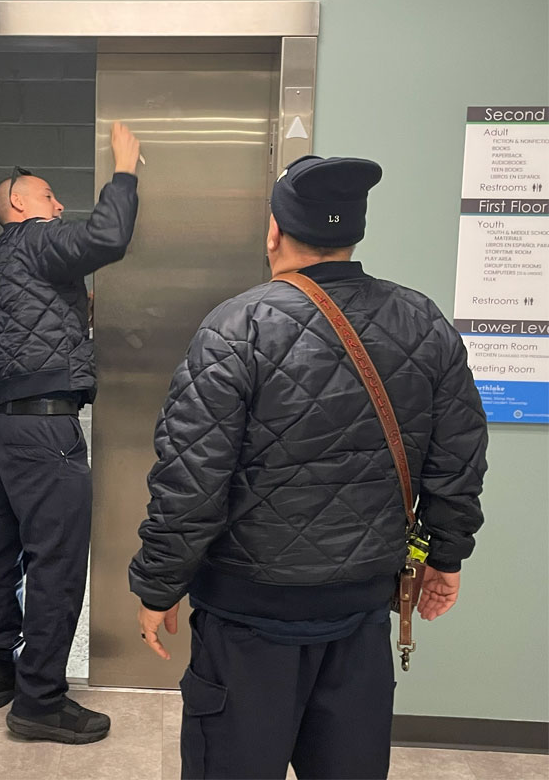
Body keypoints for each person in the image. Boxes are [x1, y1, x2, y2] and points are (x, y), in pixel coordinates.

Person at [129, 156, 488, 779]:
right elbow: (458, 456)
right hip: (361, 615)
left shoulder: (235, 328)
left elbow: (191, 480)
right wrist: (446, 555)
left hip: (247, 620)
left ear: (274, 231)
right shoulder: (423, 322)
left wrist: (159, 585)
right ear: (355, 232)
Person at [0, 121, 141, 745]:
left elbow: (28, 330)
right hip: (46, 430)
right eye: (48, 195)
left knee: (2, 544)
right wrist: (124, 171)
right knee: (57, 561)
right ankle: (39, 700)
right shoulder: (35, 238)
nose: (58, 205)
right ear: (19, 205)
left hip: (8, 424)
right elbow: (107, 237)